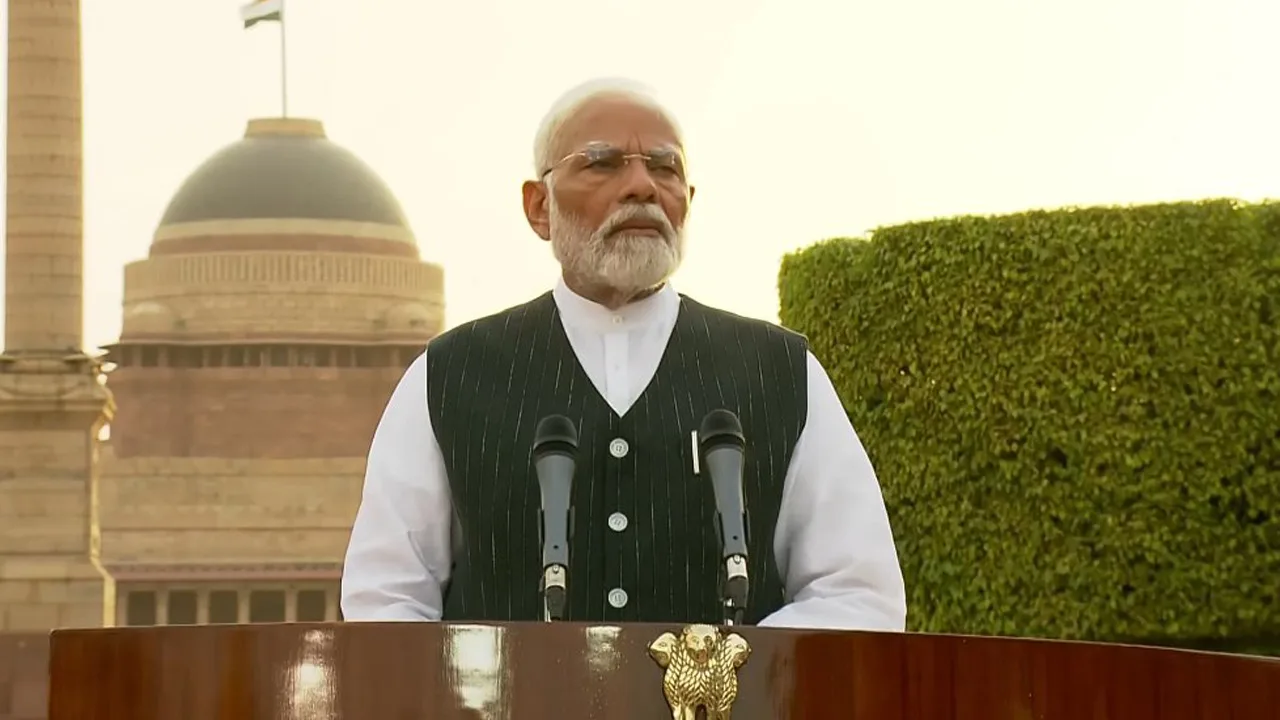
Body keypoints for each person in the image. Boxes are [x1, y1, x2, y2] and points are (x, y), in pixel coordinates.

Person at [340, 78, 907, 630]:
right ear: (539, 207)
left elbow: (856, 596)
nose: (641, 186)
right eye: (602, 162)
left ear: (689, 201)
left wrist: (732, 678)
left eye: (665, 167)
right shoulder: (448, 376)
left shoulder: (781, 372)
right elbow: (385, 602)